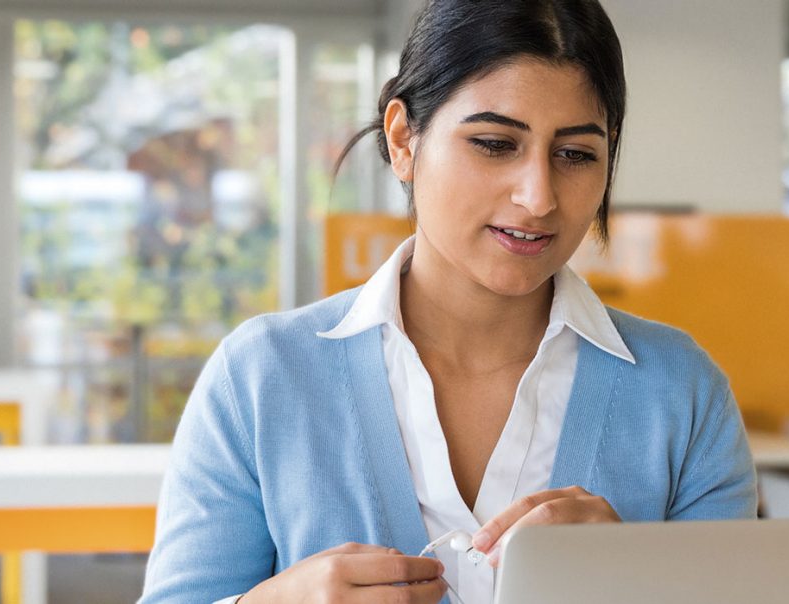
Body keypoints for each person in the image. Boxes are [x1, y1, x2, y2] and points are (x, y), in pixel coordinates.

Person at [140, 1, 757, 602]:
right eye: (494, 143)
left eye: (575, 154)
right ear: (404, 139)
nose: (538, 196)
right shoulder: (259, 377)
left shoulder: (682, 394)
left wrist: (634, 582)